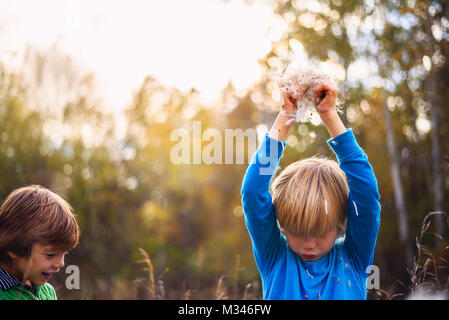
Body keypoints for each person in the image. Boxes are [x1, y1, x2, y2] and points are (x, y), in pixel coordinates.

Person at [241, 81, 381, 299]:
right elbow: (252, 193)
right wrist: (286, 116)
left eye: (319, 233)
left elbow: (367, 196)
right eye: (297, 231)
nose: (308, 244)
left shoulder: (353, 257)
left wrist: (330, 115)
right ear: (283, 223)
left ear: (339, 223)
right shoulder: (275, 256)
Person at [0, 185, 80, 300]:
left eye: (64, 253)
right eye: (50, 254)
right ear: (14, 248)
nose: (61, 263)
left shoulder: (47, 292)